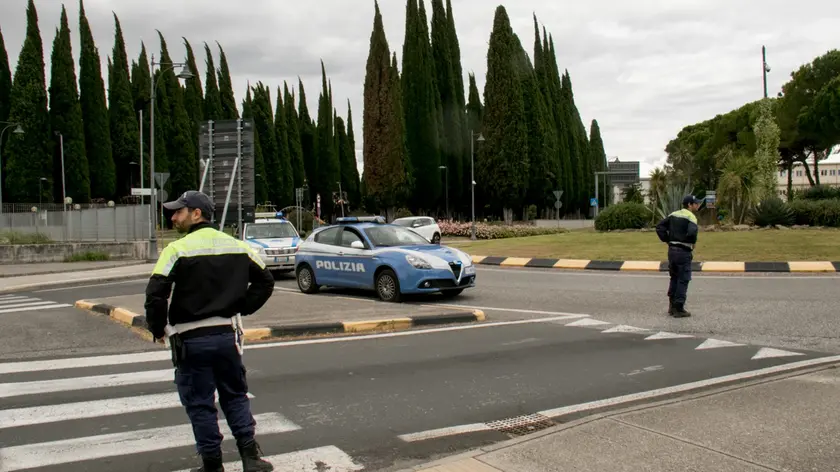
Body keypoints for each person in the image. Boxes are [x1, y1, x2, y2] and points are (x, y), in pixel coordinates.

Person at [144, 190, 276, 472]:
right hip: (227, 337)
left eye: (179, 211)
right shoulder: (238, 246)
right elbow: (266, 281)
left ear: (196, 214)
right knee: (235, 395)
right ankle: (251, 458)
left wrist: (158, 328)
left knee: (200, 403)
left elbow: (155, 294)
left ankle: (212, 465)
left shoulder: (176, 250)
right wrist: (241, 307)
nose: (173, 217)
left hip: (191, 340)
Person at [655, 195, 702, 318]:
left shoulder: (673, 214)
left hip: (672, 251)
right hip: (683, 252)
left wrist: (667, 239)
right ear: (689, 205)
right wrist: (691, 243)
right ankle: (679, 308)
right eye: (695, 203)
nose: (697, 205)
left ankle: (671, 306)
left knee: (674, 277)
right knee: (683, 279)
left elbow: (659, 227)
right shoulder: (691, 217)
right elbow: (692, 232)